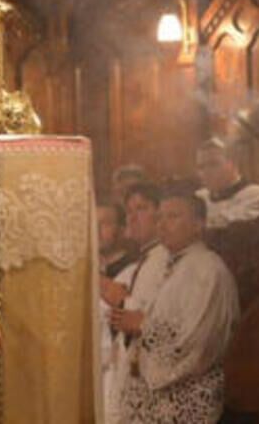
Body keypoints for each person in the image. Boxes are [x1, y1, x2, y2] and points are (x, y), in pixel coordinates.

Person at [112, 191, 240, 424]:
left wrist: (142, 325)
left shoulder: (208, 271)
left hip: (187, 393)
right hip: (151, 391)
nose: (162, 225)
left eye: (173, 216)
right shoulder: (163, 263)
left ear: (199, 224)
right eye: (159, 218)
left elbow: (199, 341)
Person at [100, 182, 169, 424]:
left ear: (161, 213)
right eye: (129, 211)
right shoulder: (147, 259)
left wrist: (122, 300)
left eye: (141, 209)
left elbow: (164, 323)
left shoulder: (166, 259)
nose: (132, 218)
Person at [193, 138, 259, 228]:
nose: (205, 172)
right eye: (201, 167)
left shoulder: (256, 195)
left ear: (233, 163)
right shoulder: (198, 197)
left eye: (213, 164)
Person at [98, 200, 134, 279]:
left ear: (122, 230)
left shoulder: (132, 267)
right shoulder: (89, 266)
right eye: (94, 223)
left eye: (105, 223)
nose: (97, 229)